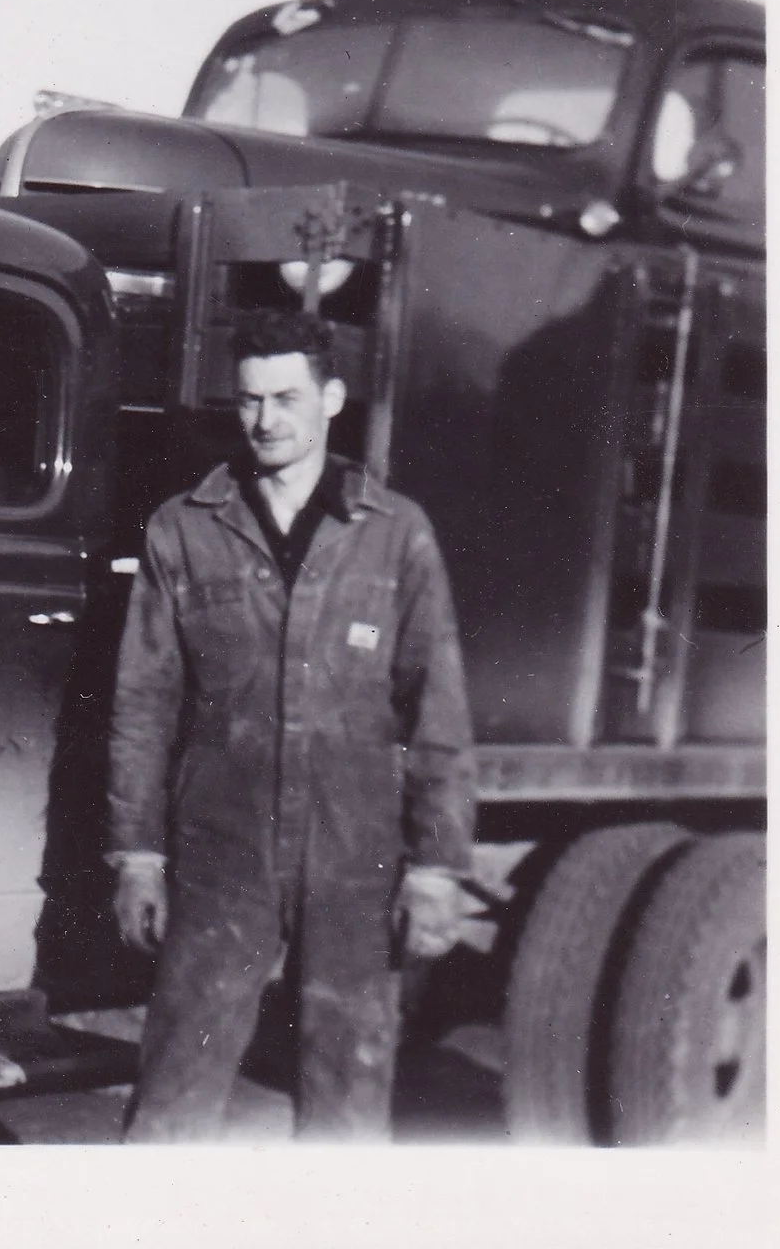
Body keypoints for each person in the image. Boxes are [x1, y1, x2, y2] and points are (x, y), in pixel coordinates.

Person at [108, 307, 475, 1141]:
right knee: (175, 1086)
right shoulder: (184, 529)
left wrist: (436, 868)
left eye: (287, 398)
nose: (266, 421)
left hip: (356, 851)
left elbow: (439, 709)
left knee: (348, 1092)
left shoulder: (395, 536)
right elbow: (142, 702)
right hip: (222, 845)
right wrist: (137, 854)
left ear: (331, 398)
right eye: (249, 401)